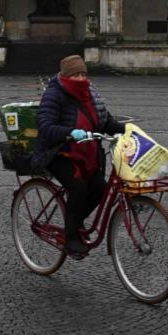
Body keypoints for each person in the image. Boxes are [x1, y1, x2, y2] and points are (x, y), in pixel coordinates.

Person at [32, 55, 125, 257]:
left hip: (87, 152)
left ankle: (72, 223)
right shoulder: (54, 94)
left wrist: (127, 129)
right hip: (58, 152)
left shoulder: (90, 93)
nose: (81, 79)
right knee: (79, 188)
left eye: (83, 73)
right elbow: (45, 126)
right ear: (66, 76)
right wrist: (69, 132)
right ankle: (71, 238)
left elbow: (104, 121)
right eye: (76, 75)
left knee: (100, 189)